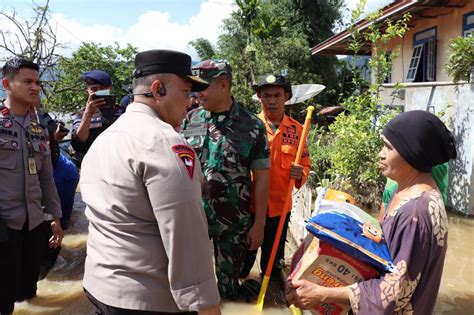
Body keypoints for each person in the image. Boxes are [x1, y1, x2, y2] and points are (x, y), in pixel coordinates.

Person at [80, 49, 221, 315]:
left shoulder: (104, 140)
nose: (190, 102)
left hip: (99, 287)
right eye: (185, 91)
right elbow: (186, 236)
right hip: (146, 300)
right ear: (159, 90)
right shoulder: (165, 142)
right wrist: (208, 306)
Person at [286, 110, 457, 314]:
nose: (381, 153)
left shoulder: (415, 214)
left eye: (388, 147)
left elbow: (393, 294)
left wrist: (322, 293)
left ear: (412, 153)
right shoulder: (407, 190)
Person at [181, 59, 270, 300]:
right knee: (191, 282)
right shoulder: (190, 120)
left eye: (202, 87)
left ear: (223, 85)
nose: (196, 93)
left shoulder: (252, 125)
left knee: (229, 284)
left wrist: (259, 224)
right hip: (194, 218)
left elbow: (262, 178)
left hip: (233, 221)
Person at [0, 58, 63, 315]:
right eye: (27, 81)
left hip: (34, 223)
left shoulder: (39, 129)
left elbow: (46, 178)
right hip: (4, 225)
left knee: (29, 290)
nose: (35, 87)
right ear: (7, 84)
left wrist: (55, 217)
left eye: (37, 82)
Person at [241, 74, 311, 281]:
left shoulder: (298, 130)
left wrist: (301, 173)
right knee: (243, 263)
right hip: (249, 208)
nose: (272, 101)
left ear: (286, 97)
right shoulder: (249, 127)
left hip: (280, 209)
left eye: (277, 95)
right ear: (259, 97)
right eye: (266, 95)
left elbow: (305, 163)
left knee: (271, 267)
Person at [70, 69, 125, 167]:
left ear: (110, 89)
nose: (98, 92)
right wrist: (88, 114)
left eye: (102, 89)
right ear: (88, 90)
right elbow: (78, 145)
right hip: (92, 165)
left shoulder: (123, 112)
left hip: (119, 164)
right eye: (94, 89)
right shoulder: (82, 115)